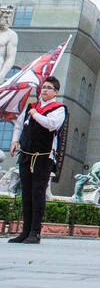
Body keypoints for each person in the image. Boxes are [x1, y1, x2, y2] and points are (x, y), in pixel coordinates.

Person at [8, 75, 67, 244]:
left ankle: (35, 232)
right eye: (44, 87)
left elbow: (52, 125)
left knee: (38, 192)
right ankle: (25, 231)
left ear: (55, 92)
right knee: (25, 192)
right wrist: (14, 141)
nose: (45, 90)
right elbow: (19, 125)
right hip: (27, 155)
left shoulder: (59, 108)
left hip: (42, 157)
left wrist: (35, 115)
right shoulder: (32, 107)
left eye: (49, 88)